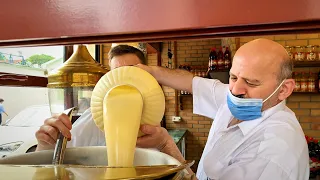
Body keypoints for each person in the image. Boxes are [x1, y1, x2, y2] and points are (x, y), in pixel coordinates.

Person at [135, 39, 309, 180]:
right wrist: (149, 71)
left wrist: (165, 145)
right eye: (233, 77)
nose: (235, 90)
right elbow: (192, 83)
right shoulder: (239, 98)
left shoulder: (271, 152)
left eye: (251, 83)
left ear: (284, 89)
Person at [35, 45, 150, 151]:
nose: (122, 80)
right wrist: (46, 145)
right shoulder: (93, 118)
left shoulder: (151, 124)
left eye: (131, 71)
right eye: (116, 73)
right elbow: (60, 156)